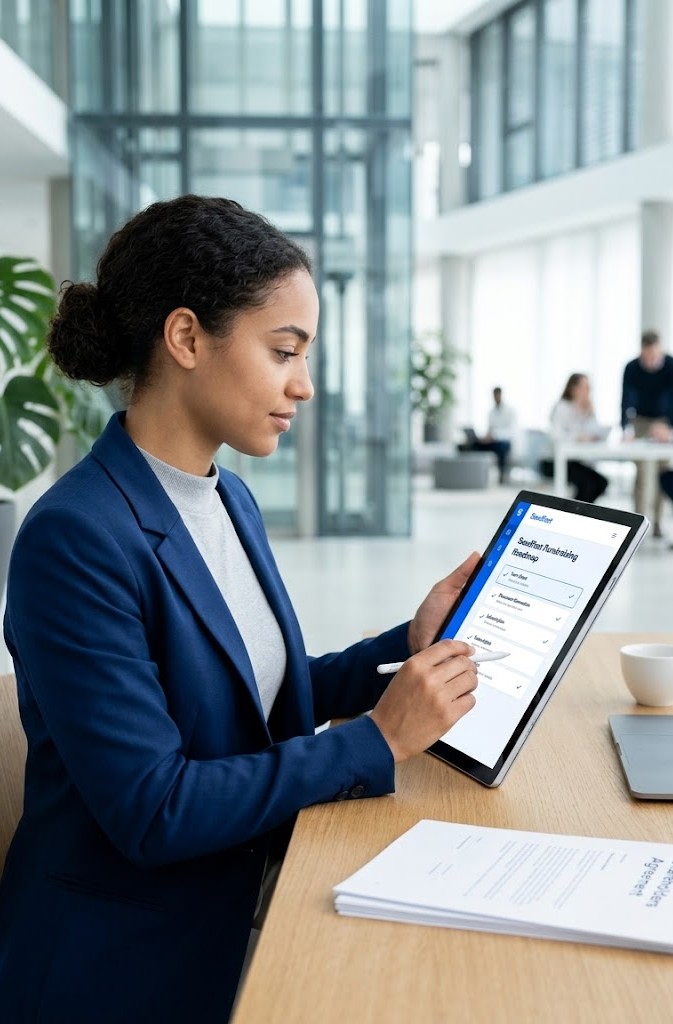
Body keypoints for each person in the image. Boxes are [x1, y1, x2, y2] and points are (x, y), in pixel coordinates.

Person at [0, 195, 480, 1024]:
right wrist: (378, 739)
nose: (304, 384)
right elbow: (153, 808)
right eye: (283, 350)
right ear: (186, 338)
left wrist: (408, 645)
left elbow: (259, 696)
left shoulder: (228, 499)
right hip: (123, 965)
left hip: (241, 901)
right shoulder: (75, 538)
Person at [621, 330, 673, 536]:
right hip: (640, 421)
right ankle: (638, 524)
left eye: (654, 356)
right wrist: (625, 428)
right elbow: (625, 398)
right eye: (647, 356)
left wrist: (669, 428)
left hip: (664, 423)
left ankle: (658, 521)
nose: (650, 361)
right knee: (643, 473)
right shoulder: (632, 367)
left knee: (663, 473)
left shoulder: (670, 366)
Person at [540, 373, 609, 503]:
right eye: (584, 387)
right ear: (573, 388)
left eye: (589, 388)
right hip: (553, 461)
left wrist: (589, 413)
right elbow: (556, 436)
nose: (587, 391)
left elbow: (593, 431)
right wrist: (577, 437)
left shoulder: (586, 409)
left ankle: (579, 511)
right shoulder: (562, 407)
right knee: (588, 485)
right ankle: (572, 512)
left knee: (601, 483)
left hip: (573, 461)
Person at [469, 387, 517, 484]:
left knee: (502, 447)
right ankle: (475, 474)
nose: (495, 397)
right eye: (494, 395)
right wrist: (485, 438)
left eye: (497, 395)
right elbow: (490, 428)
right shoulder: (491, 412)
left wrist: (495, 435)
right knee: (475, 444)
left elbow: (511, 431)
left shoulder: (509, 411)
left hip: (503, 441)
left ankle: (502, 476)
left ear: (501, 395)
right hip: (491, 440)